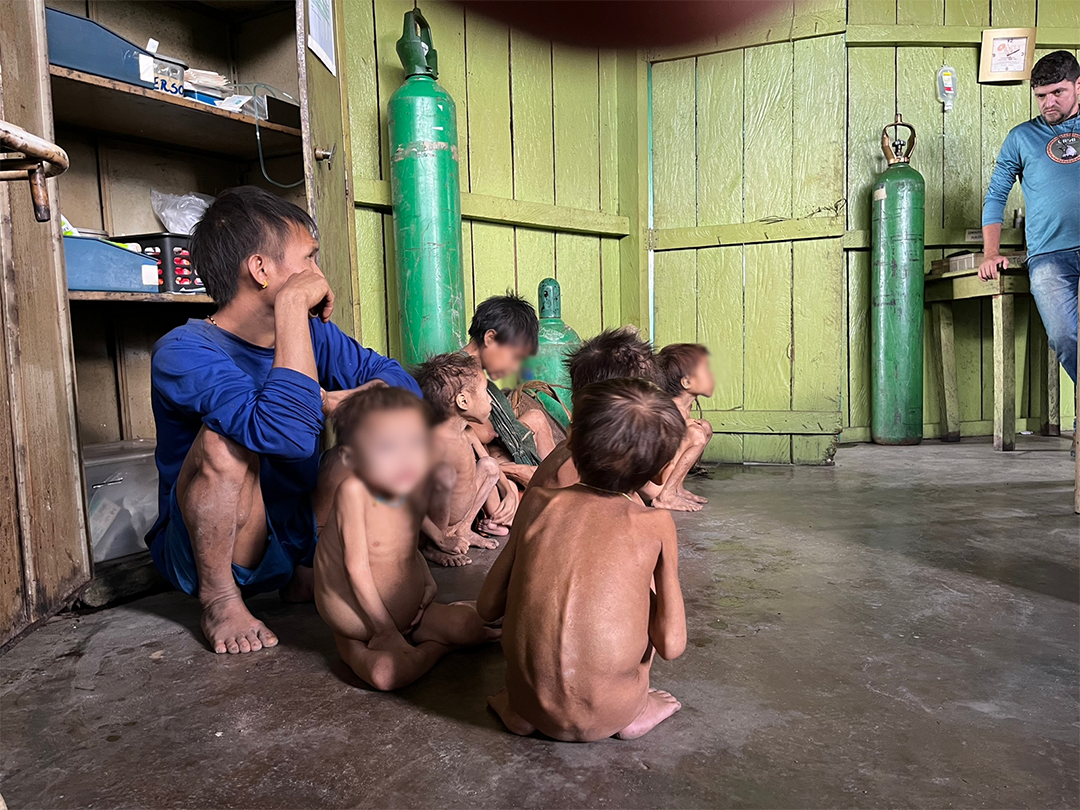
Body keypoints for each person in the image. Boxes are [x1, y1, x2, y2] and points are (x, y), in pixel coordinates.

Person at [147, 186, 421, 655]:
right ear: (261, 270)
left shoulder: (315, 334)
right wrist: (292, 305)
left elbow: (404, 389)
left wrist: (351, 399)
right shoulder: (182, 351)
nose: (319, 274)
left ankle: (307, 570)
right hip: (220, 543)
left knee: (368, 441)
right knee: (221, 444)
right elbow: (287, 437)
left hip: (297, 526)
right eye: (309, 258)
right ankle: (220, 600)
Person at [478, 377, 688, 741]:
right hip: (613, 714)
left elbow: (487, 607)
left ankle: (518, 707)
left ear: (571, 440)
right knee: (645, 591)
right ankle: (637, 710)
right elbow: (671, 643)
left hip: (530, 705)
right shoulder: (656, 524)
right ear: (660, 470)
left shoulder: (538, 503)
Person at [313, 386, 498, 691]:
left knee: (472, 628)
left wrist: (428, 584)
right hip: (365, 627)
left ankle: (426, 645)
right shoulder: (354, 493)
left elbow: (407, 548)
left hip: (412, 614)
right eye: (388, 447)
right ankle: (360, 648)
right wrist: (384, 629)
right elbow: (355, 567)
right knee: (387, 674)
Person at [979, 51, 1080, 397]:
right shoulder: (1021, 137)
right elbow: (996, 195)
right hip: (1050, 256)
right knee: (1064, 337)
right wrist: (990, 252)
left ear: (1078, 87)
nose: (1048, 103)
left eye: (1058, 93)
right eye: (1041, 96)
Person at [414, 353, 519, 566]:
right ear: (463, 401)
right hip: (433, 529)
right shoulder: (438, 444)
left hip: (456, 518)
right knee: (443, 479)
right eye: (485, 392)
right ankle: (432, 546)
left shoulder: (466, 432)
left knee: (489, 466)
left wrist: (509, 492)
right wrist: (440, 538)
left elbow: (491, 466)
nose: (490, 399)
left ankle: (463, 530)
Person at [462, 294, 557, 485]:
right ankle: (549, 483)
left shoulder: (477, 374)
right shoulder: (457, 376)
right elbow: (462, 433)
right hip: (475, 461)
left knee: (536, 417)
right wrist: (510, 468)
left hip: (494, 448)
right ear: (490, 338)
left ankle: (553, 479)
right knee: (541, 479)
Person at [655, 343, 716, 507]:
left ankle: (676, 488)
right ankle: (665, 496)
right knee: (696, 433)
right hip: (653, 483)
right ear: (687, 382)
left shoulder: (685, 408)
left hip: (665, 477)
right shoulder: (670, 409)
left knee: (705, 427)